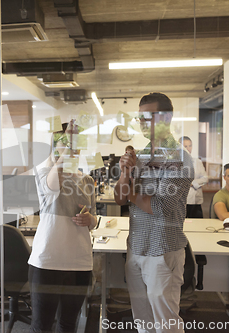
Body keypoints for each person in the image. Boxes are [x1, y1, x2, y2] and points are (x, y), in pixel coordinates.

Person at [114, 92, 194, 333]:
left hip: (162, 250)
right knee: (143, 323)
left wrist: (131, 192)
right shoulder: (140, 156)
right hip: (136, 247)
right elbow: (119, 198)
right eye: (140, 119)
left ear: (167, 118)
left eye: (149, 117)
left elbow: (159, 208)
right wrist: (124, 173)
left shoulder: (180, 159)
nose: (143, 124)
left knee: (166, 325)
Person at [29, 121, 97, 333]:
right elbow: (51, 187)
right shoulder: (44, 172)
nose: (73, 150)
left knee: (68, 324)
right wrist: (67, 147)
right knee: (42, 325)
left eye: (76, 146)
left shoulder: (86, 179)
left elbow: (93, 217)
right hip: (48, 262)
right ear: (55, 146)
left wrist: (90, 221)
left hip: (79, 262)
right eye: (67, 144)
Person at [179, 136, 208, 218]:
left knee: (198, 225)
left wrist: (192, 183)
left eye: (190, 146)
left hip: (195, 201)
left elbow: (205, 178)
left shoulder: (197, 162)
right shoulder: (175, 162)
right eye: (185, 146)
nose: (188, 148)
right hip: (180, 200)